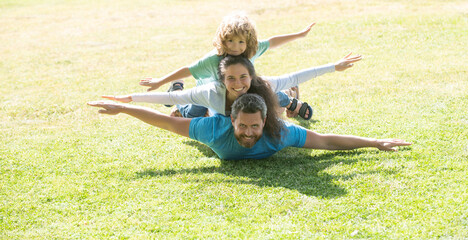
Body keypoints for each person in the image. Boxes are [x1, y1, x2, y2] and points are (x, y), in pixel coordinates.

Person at [88, 94, 411, 160]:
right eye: (243, 126)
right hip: (201, 114)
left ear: (265, 122)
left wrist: (374, 142)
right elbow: (160, 123)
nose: (248, 132)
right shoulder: (212, 129)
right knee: (177, 114)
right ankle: (179, 93)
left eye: (254, 127)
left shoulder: (280, 131)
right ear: (232, 121)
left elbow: (326, 142)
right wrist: (124, 108)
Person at [138, 12, 317, 119]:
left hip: (241, 90)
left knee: (263, 95)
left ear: (248, 40)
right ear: (222, 40)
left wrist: (299, 35)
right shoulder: (213, 59)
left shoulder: (252, 49)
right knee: (192, 114)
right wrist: (159, 81)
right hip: (210, 94)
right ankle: (177, 90)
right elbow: (188, 70)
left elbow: (272, 41)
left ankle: (290, 98)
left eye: (240, 41)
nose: (235, 47)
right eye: (230, 41)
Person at [102, 54, 361, 120]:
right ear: (222, 80)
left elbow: (297, 75)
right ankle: (175, 88)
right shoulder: (211, 91)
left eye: (243, 77)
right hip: (204, 105)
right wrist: (129, 99)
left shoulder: (262, 84)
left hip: (257, 101)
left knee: (273, 97)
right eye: (231, 79)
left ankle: (290, 101)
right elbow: (170, 98)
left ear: (252, 75)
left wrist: (333, 67)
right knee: (184, 108)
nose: (238, 84)